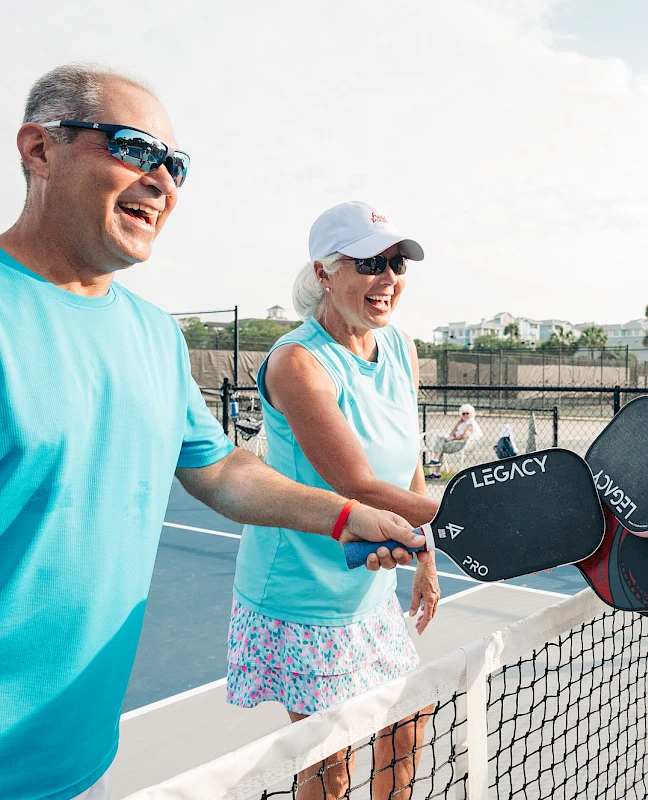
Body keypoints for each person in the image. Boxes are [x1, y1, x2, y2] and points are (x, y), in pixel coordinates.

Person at [0, 65, 424, 800]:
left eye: (176, 165)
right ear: (39, 149)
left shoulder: (152, 335)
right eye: (133, 148)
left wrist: (347, 517)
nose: (163, 180)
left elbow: (223, 472)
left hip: (82, 758)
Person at [228, 201, 440, 800]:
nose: (388, 278)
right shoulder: (299, 361)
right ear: (323, 272)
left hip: (369, 588)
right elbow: (360, 485)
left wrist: (426, 559)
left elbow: (410, 465)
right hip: (302, 593)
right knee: (330, 763)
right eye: (370, 262)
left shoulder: (400, 348)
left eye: (397, 263)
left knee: (407, 722)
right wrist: (477, 514)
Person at [425, 403, 482, 479]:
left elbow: (464, 436)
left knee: (440, 443)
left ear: (471, 414)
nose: (465, 415)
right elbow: (452, 434)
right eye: (463, 413)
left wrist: (451, 439)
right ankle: (436, 466)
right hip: (458, 442)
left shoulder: (470, 422)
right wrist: (458, 423)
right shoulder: (463, 423)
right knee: (440, 445)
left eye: (467, 413)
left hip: (463, 443)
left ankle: (436, 463)